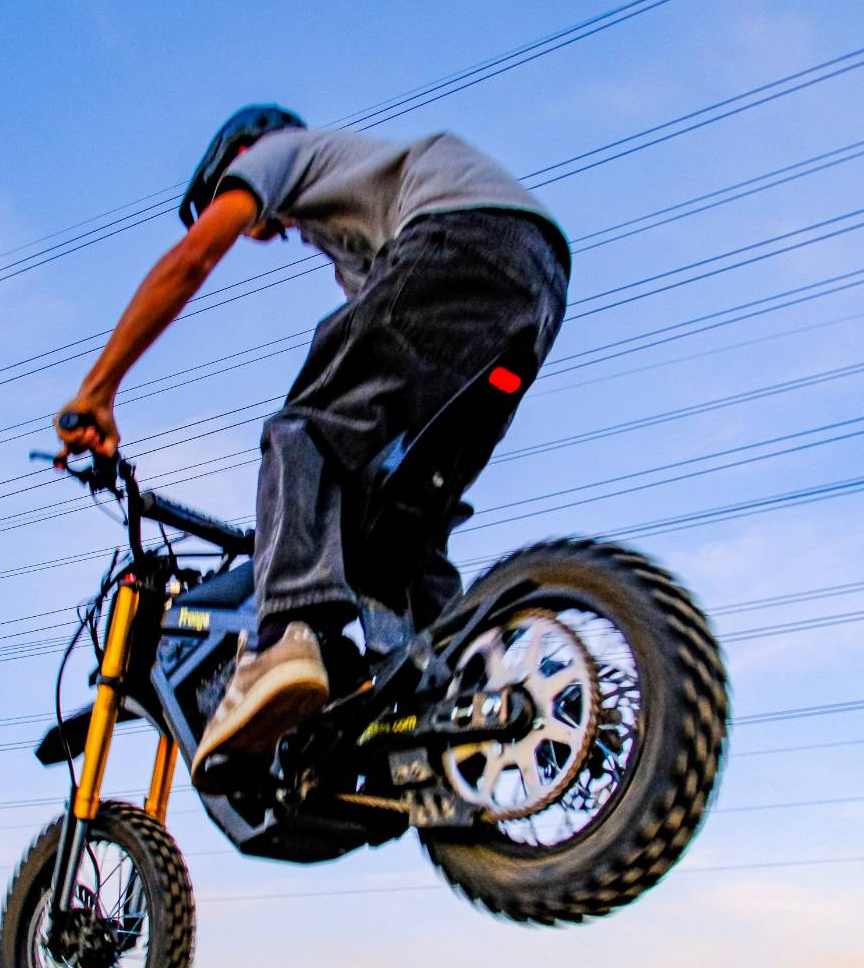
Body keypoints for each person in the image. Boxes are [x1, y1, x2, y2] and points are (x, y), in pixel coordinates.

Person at [54, 104, 571, 785]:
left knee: (303, 432)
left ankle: (284, 636)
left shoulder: (279, 152)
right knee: (401, 518)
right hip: (536, 285)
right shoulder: (360, 227)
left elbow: (192, 258)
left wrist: (99, 388)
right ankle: (466, 696)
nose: (271, 232)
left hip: (461, 237)